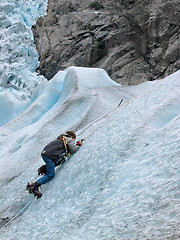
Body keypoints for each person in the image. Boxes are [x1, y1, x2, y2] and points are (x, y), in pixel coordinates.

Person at [27, 131, 83, 198]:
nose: (73, 141)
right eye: (74, 139)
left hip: (45, 154)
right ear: (72, 137)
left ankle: (44, 169)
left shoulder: (59, 139)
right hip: (51, 156)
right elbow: (73, 149)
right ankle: (34, 186)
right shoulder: (69, 139)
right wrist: (78, 144)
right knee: (50, 175)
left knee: (60, 161)